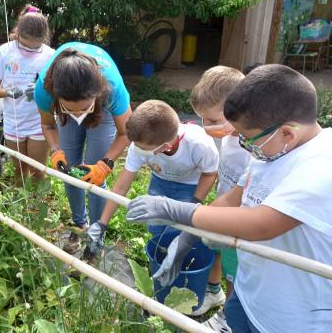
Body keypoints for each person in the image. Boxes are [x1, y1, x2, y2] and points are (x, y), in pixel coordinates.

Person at [126, 64, 332, 333]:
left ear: (287, 133)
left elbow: (262, 224)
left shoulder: (321, 165)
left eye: (247, 139)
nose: (242, 144)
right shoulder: (271, 152)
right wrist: (188, 237)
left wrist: (174, 210)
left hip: (292, 317)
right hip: (249, 294)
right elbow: (233, 198)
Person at [86, 100, 219, 262]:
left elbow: (209, 174)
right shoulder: (139, 145)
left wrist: (193, 203)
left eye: (143, 149)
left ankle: (179, 262)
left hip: (190, 187)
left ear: (165, 147)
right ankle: (158, 257)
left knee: (179, 230)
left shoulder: (200, 144)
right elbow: (121, 187)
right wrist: (102, 223)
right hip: (160, 182)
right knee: (156, 225)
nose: (136, 150)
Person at [35, 42, 132, 254]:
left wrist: (106, 164)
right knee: (69, 171)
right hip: (63, 114)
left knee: (95, 178)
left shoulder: (112, 88)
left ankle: (96, 234)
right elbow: (48, 124)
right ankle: (80, 225)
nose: (79, 116)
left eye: (83, 108)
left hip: (102, 111)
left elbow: (127, 132)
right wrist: (55, 150)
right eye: (72, 109)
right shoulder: (44, 90)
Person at [187, 66, 246, 327]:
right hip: (225, 213)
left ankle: (229, 320)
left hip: (243, 222)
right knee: (219, 253)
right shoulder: (231, 137)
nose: (206, 127)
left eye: (212, 120)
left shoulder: (253, 145)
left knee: (236, 272)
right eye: (202, 120)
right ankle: (214, 292)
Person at [0, 5, 54, 183]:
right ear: (18, 34)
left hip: (39, 121)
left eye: (35, 47)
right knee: (19, 169)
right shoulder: (5, 52)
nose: (30, 50)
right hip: (13, 120)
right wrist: (6, 92)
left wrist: (41, 91)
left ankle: (39, 205)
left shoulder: (50, 55)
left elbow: (58, 90)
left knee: (38, 171)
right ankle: (22, 206)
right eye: (25, 45)